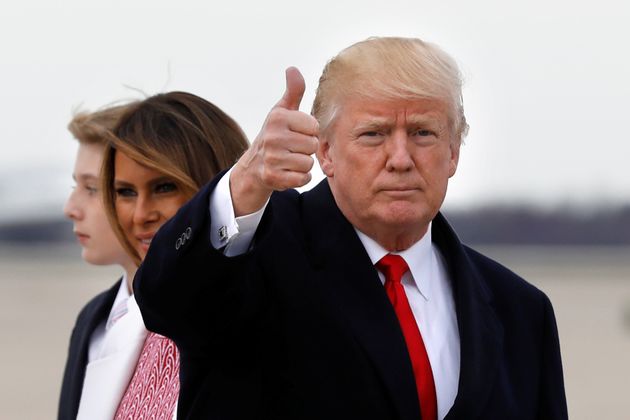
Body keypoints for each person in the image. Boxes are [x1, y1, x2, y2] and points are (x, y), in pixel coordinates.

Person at [134, 37, 568, 420]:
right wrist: (247, 179)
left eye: (422, 133)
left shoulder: (521, 312)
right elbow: (166, 301)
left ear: (453, 152)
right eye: (374, 134)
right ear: (325, 151)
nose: (400, 158)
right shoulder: (258, 255)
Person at [58, 92, 249, 420]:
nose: (70, 209)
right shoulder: (94, 321)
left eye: (92, 188)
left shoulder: (251, 304)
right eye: (124, 191)